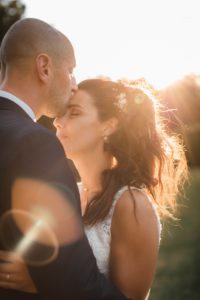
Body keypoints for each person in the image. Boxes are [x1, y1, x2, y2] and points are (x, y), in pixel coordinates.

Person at [0, 77, 188, 299]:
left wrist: (40, 283)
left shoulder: (131, 205)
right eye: (61, 113)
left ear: (109, 125)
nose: (58, 122)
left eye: (75, 113)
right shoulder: (72, 192)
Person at [0, 19, 128, 300]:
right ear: (44, 67)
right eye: (70, 70)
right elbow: (74, 281)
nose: (73, 84)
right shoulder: (34, 144)